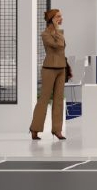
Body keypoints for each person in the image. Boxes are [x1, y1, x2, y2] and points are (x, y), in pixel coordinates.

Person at [29, 8, 72, 140]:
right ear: (51, 19)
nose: (61, 18)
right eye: (58, 16)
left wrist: (67, 67)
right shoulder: (45, 34)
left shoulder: (60, 32)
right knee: (44, 99)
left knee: (59, 100)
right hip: (49, 69)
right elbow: (58, 45)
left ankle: (57, 130)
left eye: (61, 16)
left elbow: (61, 50)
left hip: (61, 68)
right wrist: (57, 29)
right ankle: (35, 129)